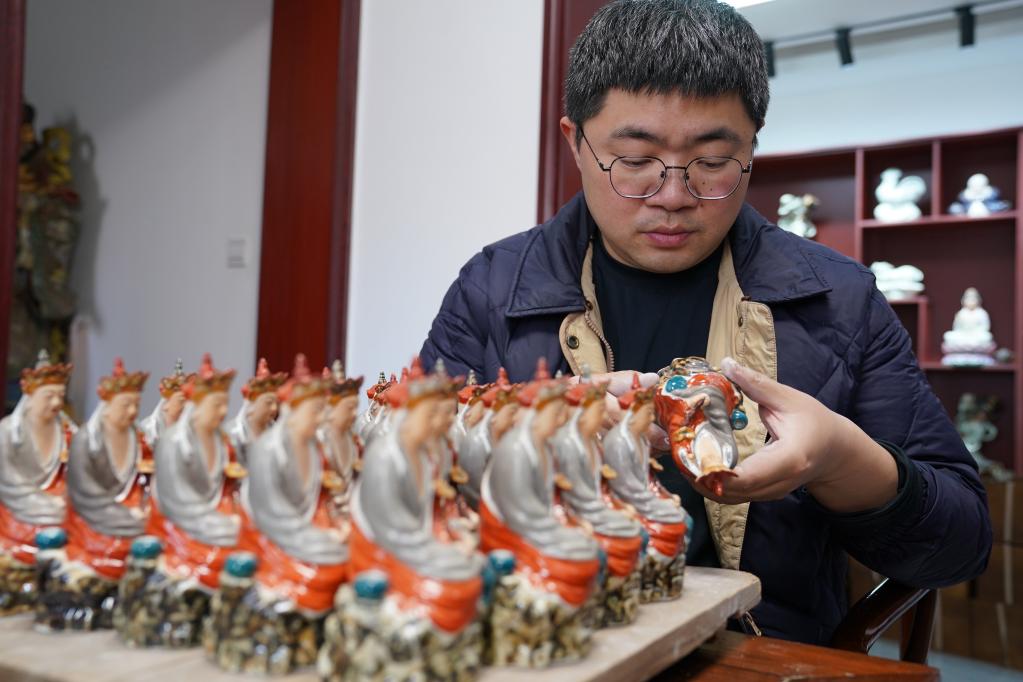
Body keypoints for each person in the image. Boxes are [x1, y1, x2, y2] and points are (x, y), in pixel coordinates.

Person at [419, 0, 991, 644]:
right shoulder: (492, 290)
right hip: (549, 643)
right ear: (575, 142)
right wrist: (523, 437)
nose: (673, 196)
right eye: (634, 161)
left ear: (752, 148)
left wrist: (841, 460)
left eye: (713, 162)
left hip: (763, 654)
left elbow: (960, 548)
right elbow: (407, 498)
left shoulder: (840, 298)